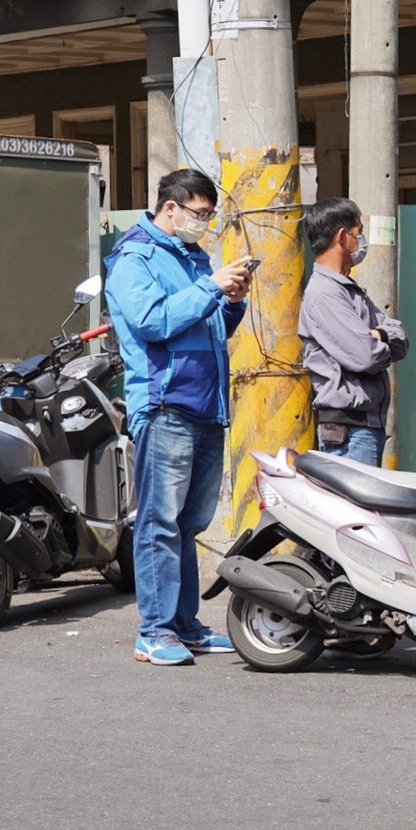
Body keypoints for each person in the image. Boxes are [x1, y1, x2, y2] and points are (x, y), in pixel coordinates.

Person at [105, 168, 251, 666]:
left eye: (209, 215)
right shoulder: (134, 258)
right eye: (199, 214)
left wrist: (231, 301)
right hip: (166, 406)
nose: (204, 224)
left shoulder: (191, 257)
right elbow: (153, 322)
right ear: (171, 207)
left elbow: (207, 327)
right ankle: (155, 630)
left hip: (206, 407)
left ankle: (184, 625)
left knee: (188, 524)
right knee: (160, 523)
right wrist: (212, 286)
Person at [298, 198, 409, 466]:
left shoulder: (346, 288)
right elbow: (366, 357)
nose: (361, 241)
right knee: (354, 508)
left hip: (364, 425)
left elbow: (400, 337)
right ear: (341, 236)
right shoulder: (325, 294)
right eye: (358, 234)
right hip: (349, 430)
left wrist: (379, 335)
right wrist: (376, 339)